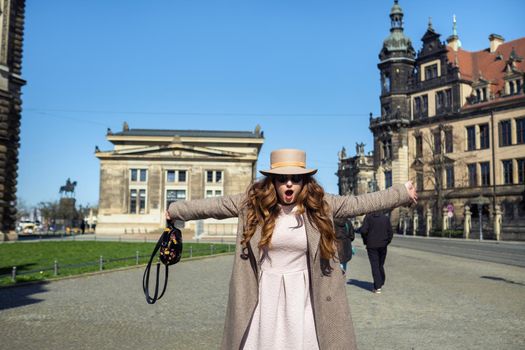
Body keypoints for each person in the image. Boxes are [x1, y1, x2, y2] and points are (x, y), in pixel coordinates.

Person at [167, 148, 417, 350]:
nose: (289, 185)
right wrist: (175, 211)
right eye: (282, 179)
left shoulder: (322, 205)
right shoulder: (251, 204)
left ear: (304, 181)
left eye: (295, 179)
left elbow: (361, 202)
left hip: (306, 293)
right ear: (272, 181)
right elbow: (213, 206)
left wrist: (401, 193)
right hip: (263, 293)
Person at [360, 211, 393, 294]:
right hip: (383, 244)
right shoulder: (385, 218)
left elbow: (363, 231)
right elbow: (390, 232)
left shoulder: (368, 218)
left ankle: (378, 286)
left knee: (375, 265)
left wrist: (366, 241)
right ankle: (380, 281)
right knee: (380, 264)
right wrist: (386, 242)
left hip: (372, 245)